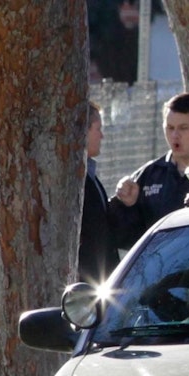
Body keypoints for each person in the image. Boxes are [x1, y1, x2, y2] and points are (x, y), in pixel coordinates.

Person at [108, 92, 189, 251]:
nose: (175, 135)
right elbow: (128, 240)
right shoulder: (151, 174)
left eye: (184, 128)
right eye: (170, 128)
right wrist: (128, 206)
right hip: (163, 263)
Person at [78, 101, 119, 285]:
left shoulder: (91, 178)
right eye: (98, 129)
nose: (101, 136)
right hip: (86, 285)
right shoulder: (77, 182)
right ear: (83, 132)